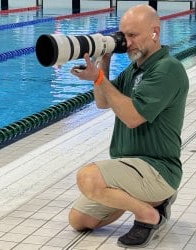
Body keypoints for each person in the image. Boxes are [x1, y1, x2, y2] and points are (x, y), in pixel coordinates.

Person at [68, 4, 189, 248]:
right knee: (79, 220)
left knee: (88, 178)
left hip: (157, 169)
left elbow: (133, 118)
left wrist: (100, 79)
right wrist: (104, 62)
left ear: (154, 32)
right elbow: (103, 102)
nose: (127, 42)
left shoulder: (167, 69)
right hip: (129, 168)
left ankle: (149, 214)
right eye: (124, 35)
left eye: (133, 35)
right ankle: (153, 202)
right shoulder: (135, 69)